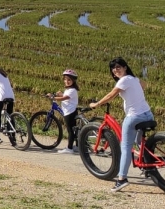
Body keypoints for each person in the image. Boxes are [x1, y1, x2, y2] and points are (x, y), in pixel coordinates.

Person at [87, 57, 153, 192]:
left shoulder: (124, 80)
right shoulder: (134, 79)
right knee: (139, 141)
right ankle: (148, 165)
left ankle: (122, 179)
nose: (115, 70)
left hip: (135, 117)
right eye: (113, 68)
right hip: (148, 114)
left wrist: (96, 104)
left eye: (118, 67)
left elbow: (111, 96)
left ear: (125, 68)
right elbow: (144, 85)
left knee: (126, 147)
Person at [49, 69, 80, 154]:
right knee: (73, 130)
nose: (66, 81)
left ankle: (69, 149)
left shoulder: (72, 90)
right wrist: (61, 94)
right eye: (65, 79)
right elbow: (66, 97)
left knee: (70, 130)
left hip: (69, 112)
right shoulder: (69, 89)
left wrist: (53, 97)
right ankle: (77, 146)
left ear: (73, 80)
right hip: (70, 111)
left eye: (69, 80)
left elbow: (64, 98)